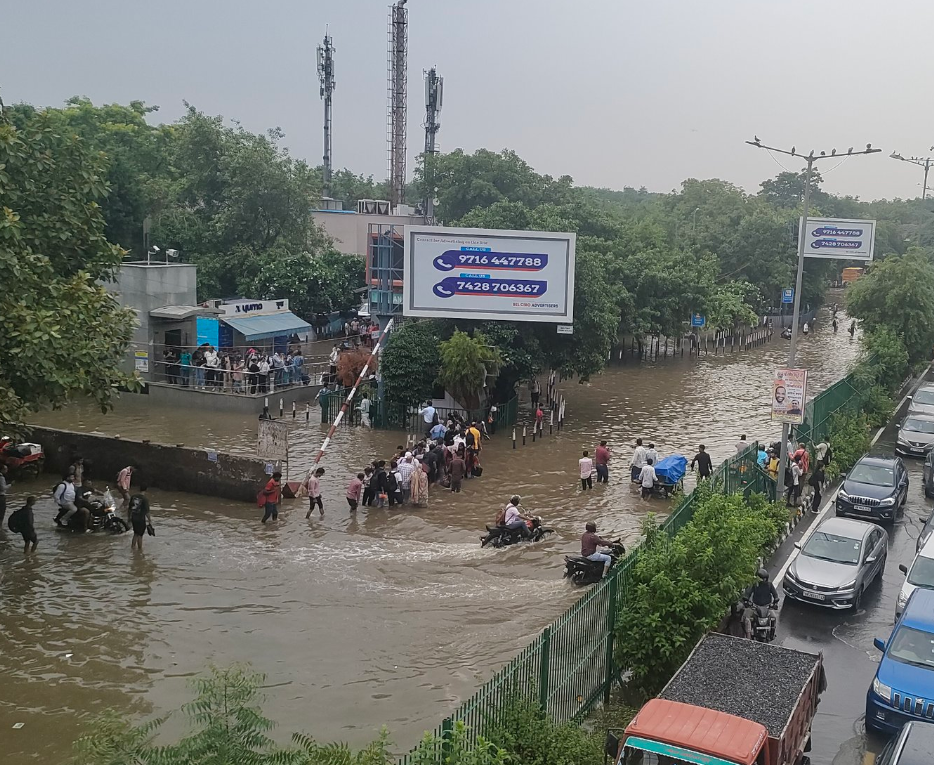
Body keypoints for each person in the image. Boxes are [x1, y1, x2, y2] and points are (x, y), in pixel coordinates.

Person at [742, 568, 779, 640]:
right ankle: (748, 635)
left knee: (773, 618)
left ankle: (772, 634)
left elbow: (775, 595)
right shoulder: (754, 585)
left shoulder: (769, 585)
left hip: (767, 607)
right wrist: (746, 600)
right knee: (746, 618)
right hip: (755, 607)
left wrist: (775, 602)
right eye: (762, 579)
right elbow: (748, 593)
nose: (763, 580)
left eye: (764, 579)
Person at [129, 485, 152, 551]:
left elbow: (129, 508)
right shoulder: (144, 499)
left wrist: (129, 517)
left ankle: (132, 548)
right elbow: (147, 512)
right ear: (146, 490)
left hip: (133, 518)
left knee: (135, 534)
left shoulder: (133, 497)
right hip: (140, 519)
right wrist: (150, 520)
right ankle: (140, 550)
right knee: (140, 535)